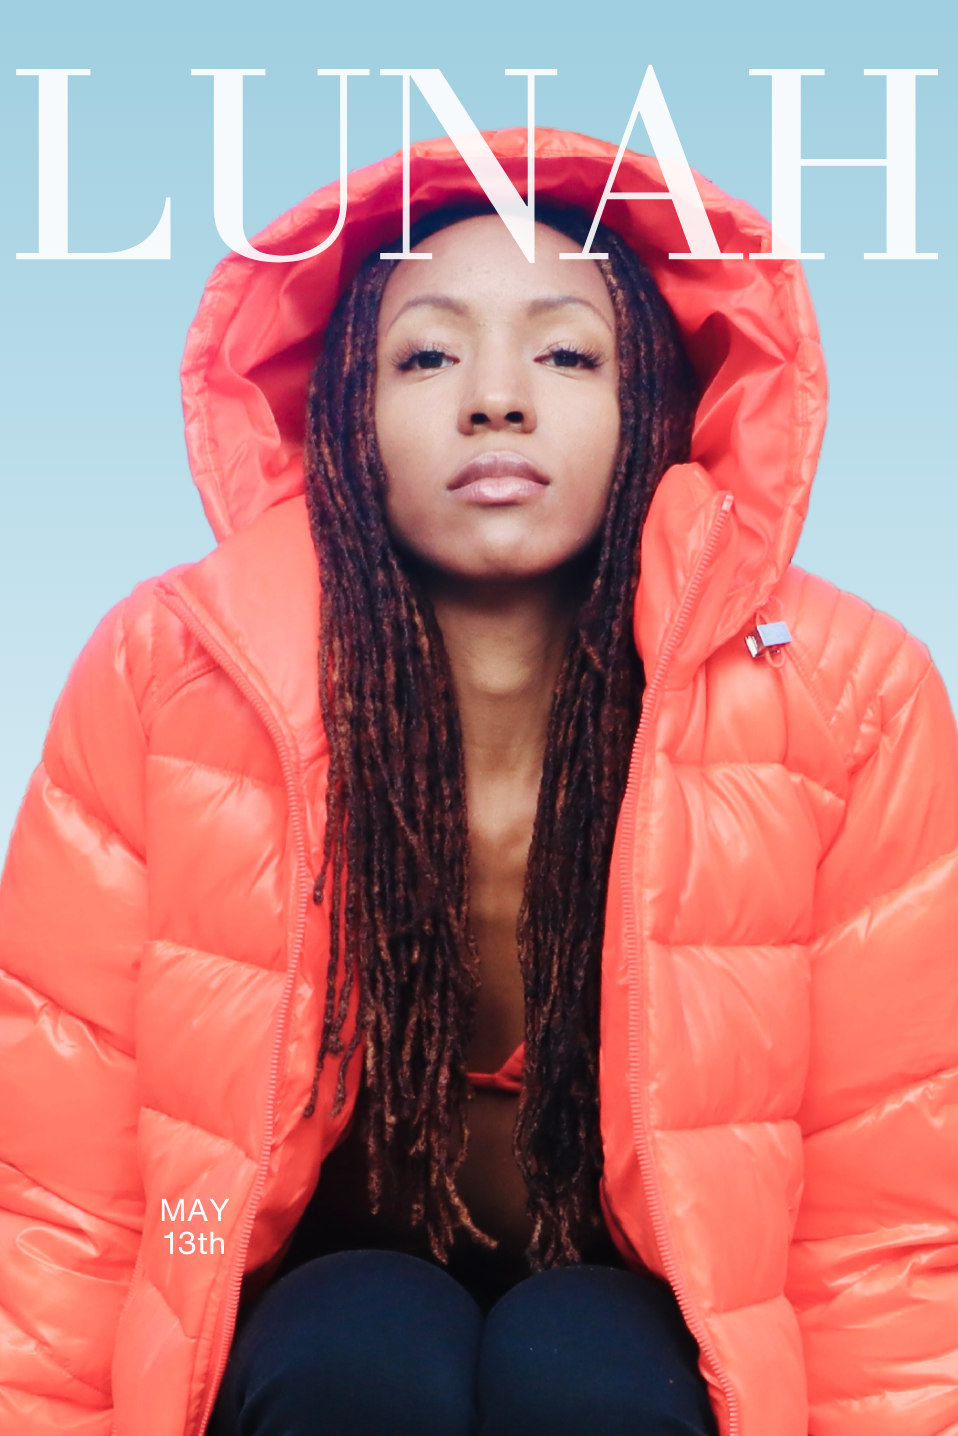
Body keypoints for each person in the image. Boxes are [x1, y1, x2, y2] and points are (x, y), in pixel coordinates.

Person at [0, 129, 956, 1436]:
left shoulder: (843, 691)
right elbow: (68, 1186)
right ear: (342, 411)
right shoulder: (169, 669)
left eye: (565, 353)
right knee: (359, 1344)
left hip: (662, 1332)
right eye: (427, 353)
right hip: (308, 1324)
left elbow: (882, 1207)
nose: (494, 399)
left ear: (659, 406)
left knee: (583, 1364)